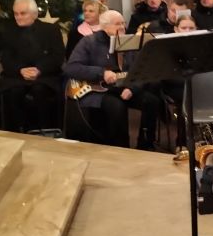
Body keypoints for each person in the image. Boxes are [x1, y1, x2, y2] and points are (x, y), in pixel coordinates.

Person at [63, 10, 158, 148]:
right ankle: (121, 148)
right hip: (98, 89)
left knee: (151, 101)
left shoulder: (130, 42)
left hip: (123, 86)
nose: (122, 27)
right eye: (117, 24)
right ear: (105, 26)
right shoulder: (89, 42)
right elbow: (71, 67)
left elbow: (140, 70)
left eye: (123, 23)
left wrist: (132, 89)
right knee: (116, 106)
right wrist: (102, 73)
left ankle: (145, 145)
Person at [0, 0, 64, 132]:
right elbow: (6, 58)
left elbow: (57, 56)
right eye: (16, 14)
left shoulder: (51, 30)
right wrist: (20, 70)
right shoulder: (8, 31)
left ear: (34, 14)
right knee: (14, 92)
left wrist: (39, 70)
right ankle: (18, 131)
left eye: (23, 13)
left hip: (44, 75)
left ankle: (45, 130)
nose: (18, 17)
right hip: (17, 75)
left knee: (40, 90)